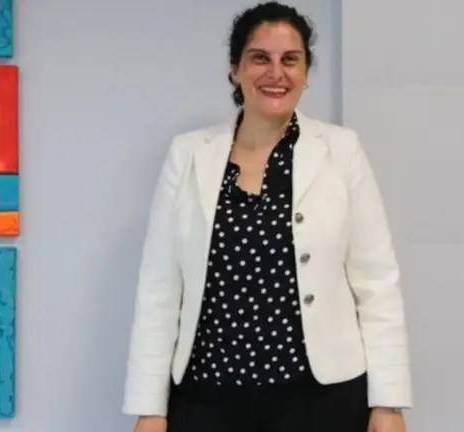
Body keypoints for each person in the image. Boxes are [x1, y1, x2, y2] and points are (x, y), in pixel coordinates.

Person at [122, 2, 412, 431]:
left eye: (290, 59)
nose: (276, 72)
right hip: (207, 400)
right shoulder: (188, 155)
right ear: (235, 69)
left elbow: (377, 283)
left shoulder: (342, 151)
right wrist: (150, 410)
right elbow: (159, 290)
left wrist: (389, 404)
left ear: (306, 72)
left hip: (322, 401)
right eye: (260, 58)